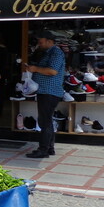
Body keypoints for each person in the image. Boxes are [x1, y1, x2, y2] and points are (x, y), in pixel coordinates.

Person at [23, 30, 65, 158]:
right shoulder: (47, 53)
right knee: (46, 120)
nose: (39, 44)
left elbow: (52, 71)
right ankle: (49, 148)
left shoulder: (56, 52)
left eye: (41, 42)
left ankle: (43, 150)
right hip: (45, 91)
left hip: (49, 92)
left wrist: (35, 69)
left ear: (49, 41)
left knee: (45, 121)